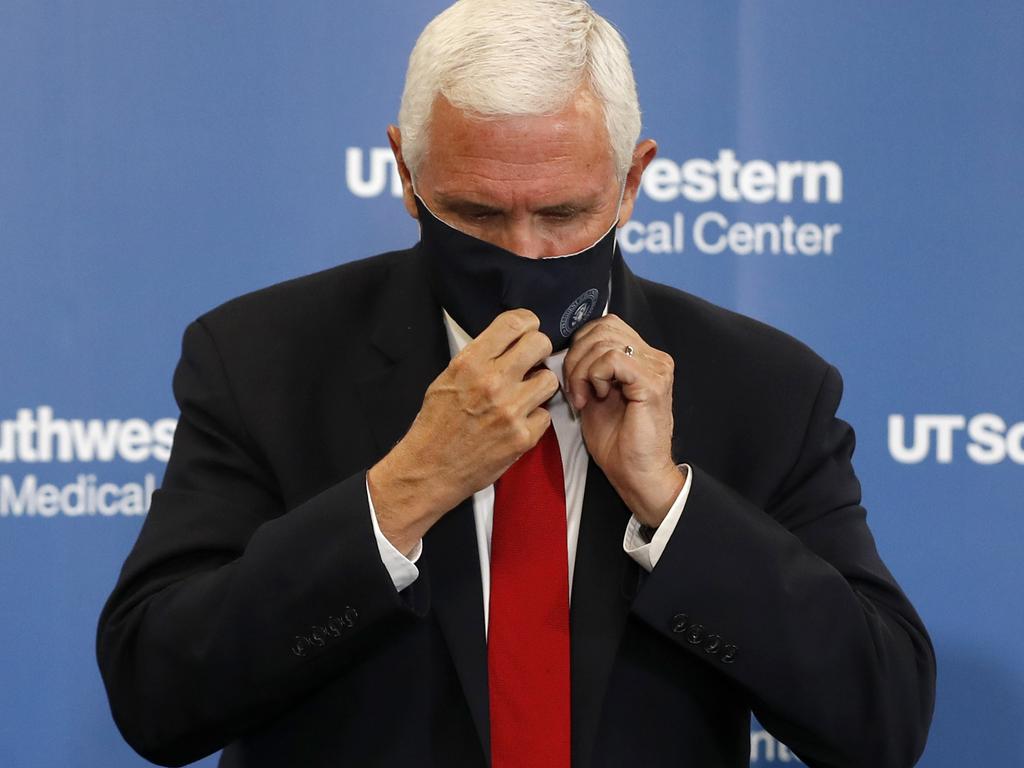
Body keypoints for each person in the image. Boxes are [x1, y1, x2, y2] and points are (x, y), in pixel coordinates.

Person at [97, 1, 936, 766]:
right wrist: (403, 492)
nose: (525, 255)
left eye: (565, 214)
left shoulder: (764, 388)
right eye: (477, 215)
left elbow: (881, 720)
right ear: (404, 171)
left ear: (633, 181)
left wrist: (670, 502)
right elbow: (156, 693)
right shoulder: (262, 361)